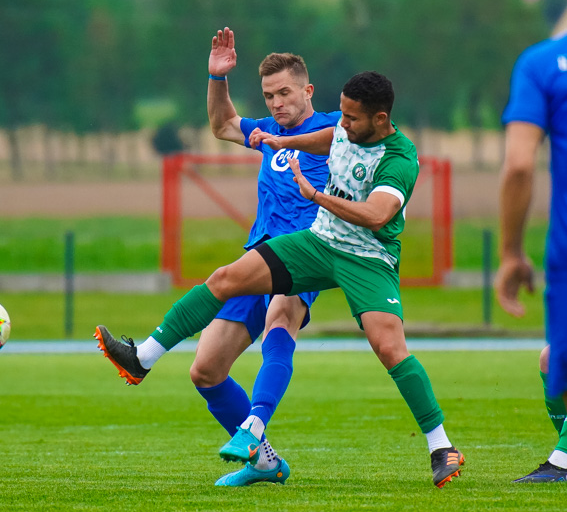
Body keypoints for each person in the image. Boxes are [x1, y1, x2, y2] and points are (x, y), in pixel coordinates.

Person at [97, 71, 464, 488]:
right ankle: (143, 357)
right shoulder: (341, 129)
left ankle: (441, 446)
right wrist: (284, 142)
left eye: (351, 119)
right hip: (318, 242)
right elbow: (327, 139)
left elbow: (378, 215)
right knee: (224, 280)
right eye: (340, 115)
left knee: (388, 346)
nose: (341, 124)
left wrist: (316, 196)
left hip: (367, 257)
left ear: (380, 119)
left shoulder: (399, 159)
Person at [97, 28, 338, 487]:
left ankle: (248, 421)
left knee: (281, 319)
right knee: (205, 370)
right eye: (268, 96)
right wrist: (217, 78)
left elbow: (351, 139)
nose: (275, 103)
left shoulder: (330, 131)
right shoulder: (268, 132)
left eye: (285, 92)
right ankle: (265, 463)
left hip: (306, 254)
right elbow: (224, 125)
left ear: (307, 90)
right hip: (259, 256)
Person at [497, 0, 567, 481]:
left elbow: (520, 164)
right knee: (552, 359)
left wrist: (510, 251)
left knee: (555, 359)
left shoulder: (543, 64)